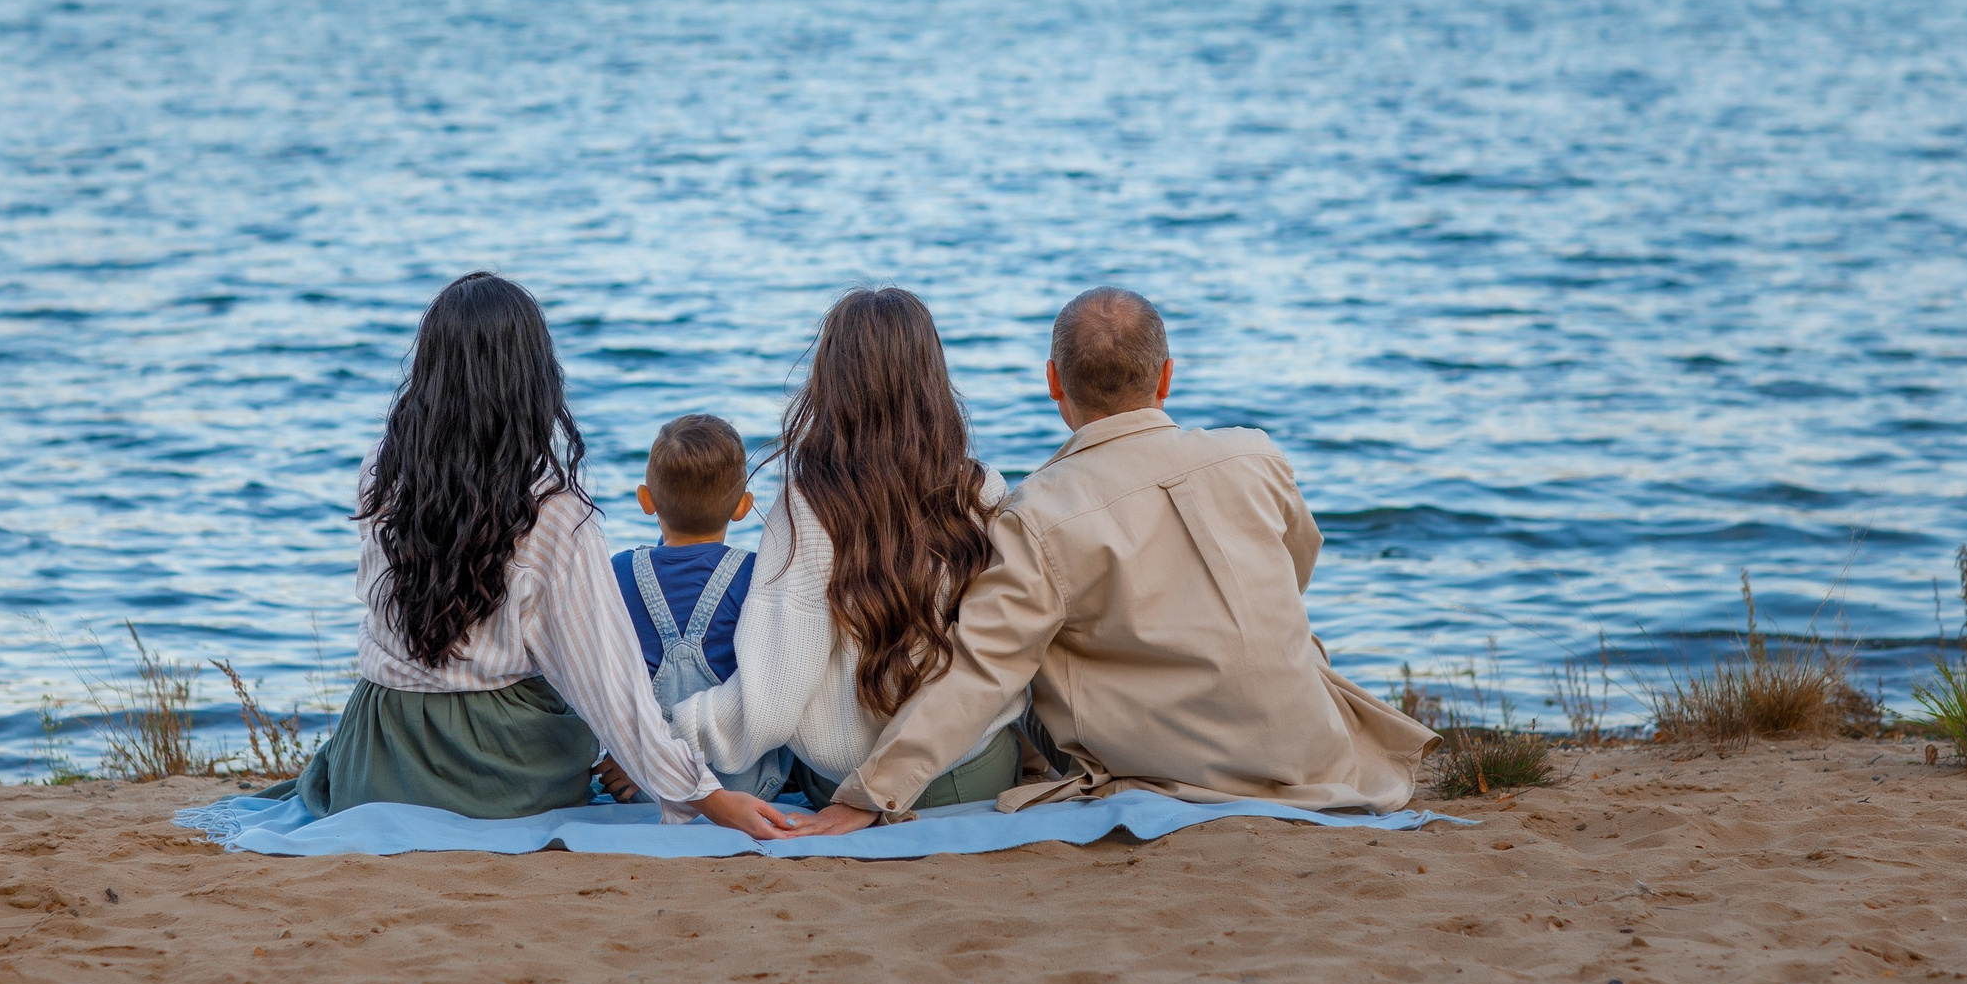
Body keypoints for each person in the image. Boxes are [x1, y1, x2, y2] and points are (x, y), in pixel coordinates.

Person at [790, 286, 1436, 834]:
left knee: (1028, 655)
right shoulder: (1254, 457)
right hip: (1310, 746)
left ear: (1052, 382)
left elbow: (982, 667)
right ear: (1166, 375)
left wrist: (871, 792)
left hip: (1181, 767)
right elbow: (1296, 564)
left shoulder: (1037, 512)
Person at [267, 272, 798, 839]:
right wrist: (708, 796)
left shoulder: (382, 469)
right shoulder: (555, 509)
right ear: (533, 378)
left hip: (377, 754)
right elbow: (608, 684)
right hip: (502, 770)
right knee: (573, 721)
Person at [663, 287, 1025, 813]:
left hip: (845, 780)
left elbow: (772, 700)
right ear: (932, 380)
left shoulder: (807, 508)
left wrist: (670, 732)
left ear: (831, 383)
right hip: (969, 771)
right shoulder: (983, 488)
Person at [604, 413, 792, 800]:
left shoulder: (620, 572)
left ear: (645, 500)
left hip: (645, 779)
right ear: (743, 507)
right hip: (748, 784)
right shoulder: (755, 574)